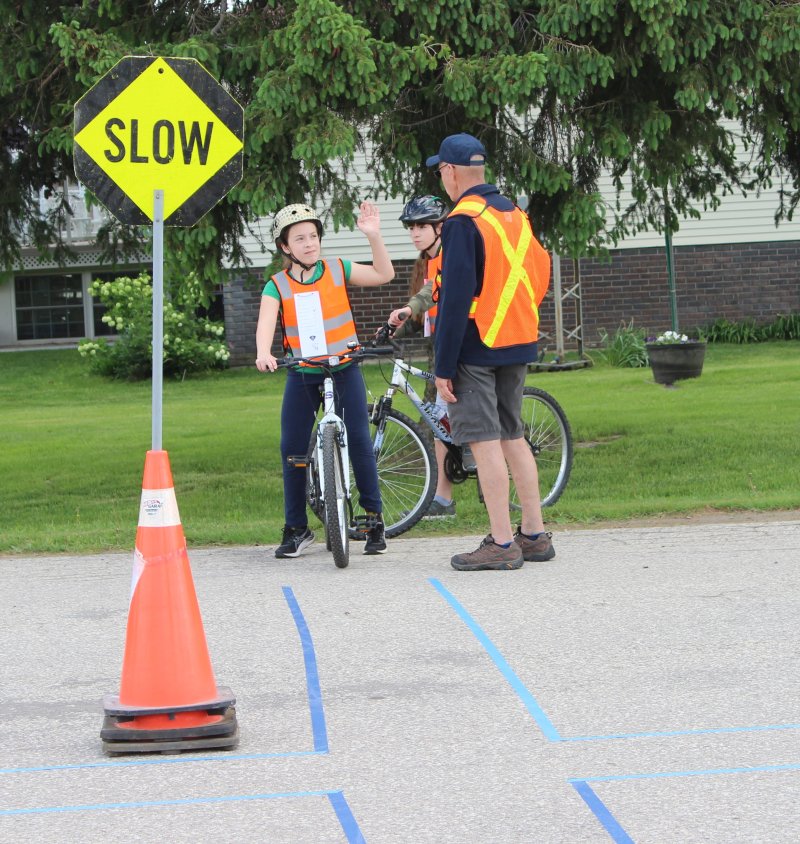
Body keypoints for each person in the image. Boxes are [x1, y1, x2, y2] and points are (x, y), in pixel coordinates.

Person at [427, 133, 555, 571]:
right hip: (515, 339)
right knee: (512, 435)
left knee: (483, 442)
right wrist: (518, 318)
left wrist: (443, 365)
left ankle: (501, 543)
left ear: (451, 171)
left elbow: (454, 297)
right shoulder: (513, 213)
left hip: (474, 345)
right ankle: (534, 535)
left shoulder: (463, 220)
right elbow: (541, 271)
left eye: (440, 171)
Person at [255, 201, 395, 558]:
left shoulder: (337, 269)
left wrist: (374, 236)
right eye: (299, 239)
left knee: (360, 441)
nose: (309, 244)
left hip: (344, 366)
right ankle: (296, 528)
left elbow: (384, 274)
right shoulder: (277, 285)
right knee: (292, 449)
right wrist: (264, 352)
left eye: (313, 236)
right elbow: (267, 322)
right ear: (285, 247)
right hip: (303, 372)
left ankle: (372, 518)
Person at [387, 194, 457, 518]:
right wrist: (393, 330)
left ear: (439, 227)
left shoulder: (450, 254)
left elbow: (428, 295)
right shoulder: (427, 262)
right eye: (411, 227)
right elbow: (422, 311)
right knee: (441, 423)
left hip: (462, 345)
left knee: (451, 422)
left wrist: (410, 306)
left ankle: (447, 498)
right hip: (443, 346)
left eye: (422, 226)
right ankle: (444, 497)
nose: (415, 232)